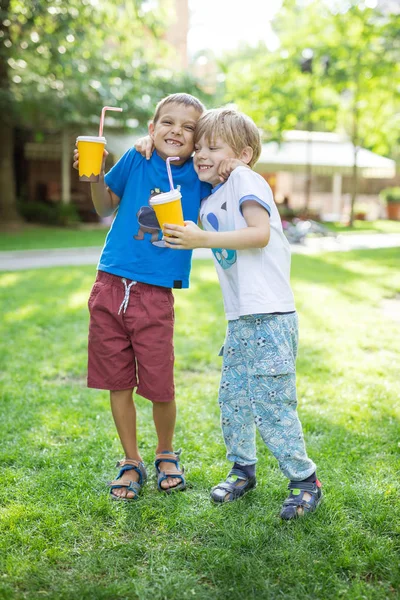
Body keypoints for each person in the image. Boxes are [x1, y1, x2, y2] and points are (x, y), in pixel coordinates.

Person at [163, 108, 322, 519]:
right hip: (241, 318)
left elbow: (259, 233)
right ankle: (242, 470)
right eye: (199, 147)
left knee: (272, 403)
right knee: (232, 400)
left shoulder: (246, 180)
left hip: (270, 315)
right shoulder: (212, 194)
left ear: (245, 154)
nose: (201, 154)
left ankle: (304, 480)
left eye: (213, 147)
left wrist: (202, 238)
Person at [73, 93, 211, 500]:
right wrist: (95, 176)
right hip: (111, 281)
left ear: (197, 140)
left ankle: (165, 452)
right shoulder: (137, 158)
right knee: (118, 382)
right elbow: (103, 206)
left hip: (155, 292)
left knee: (159, 385)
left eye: (188, 129)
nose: (176, 132)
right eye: (168, 123)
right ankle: (130, 460)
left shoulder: (199, 177)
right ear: (152, 129)